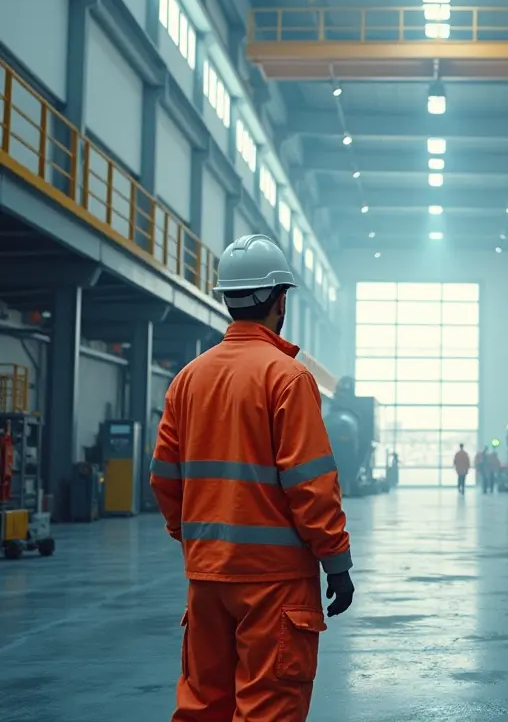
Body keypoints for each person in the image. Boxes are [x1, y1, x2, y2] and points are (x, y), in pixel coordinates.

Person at [149, 234, 355, 722]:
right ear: (279, 301)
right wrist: (337, 562)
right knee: (267, 710)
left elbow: (163, 477)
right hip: (274, 583)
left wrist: (196, 539)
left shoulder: (188, 379)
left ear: (227, 298)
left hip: (207, 579)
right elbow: (311, 484)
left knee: (203, 707)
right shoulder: (286, 377)